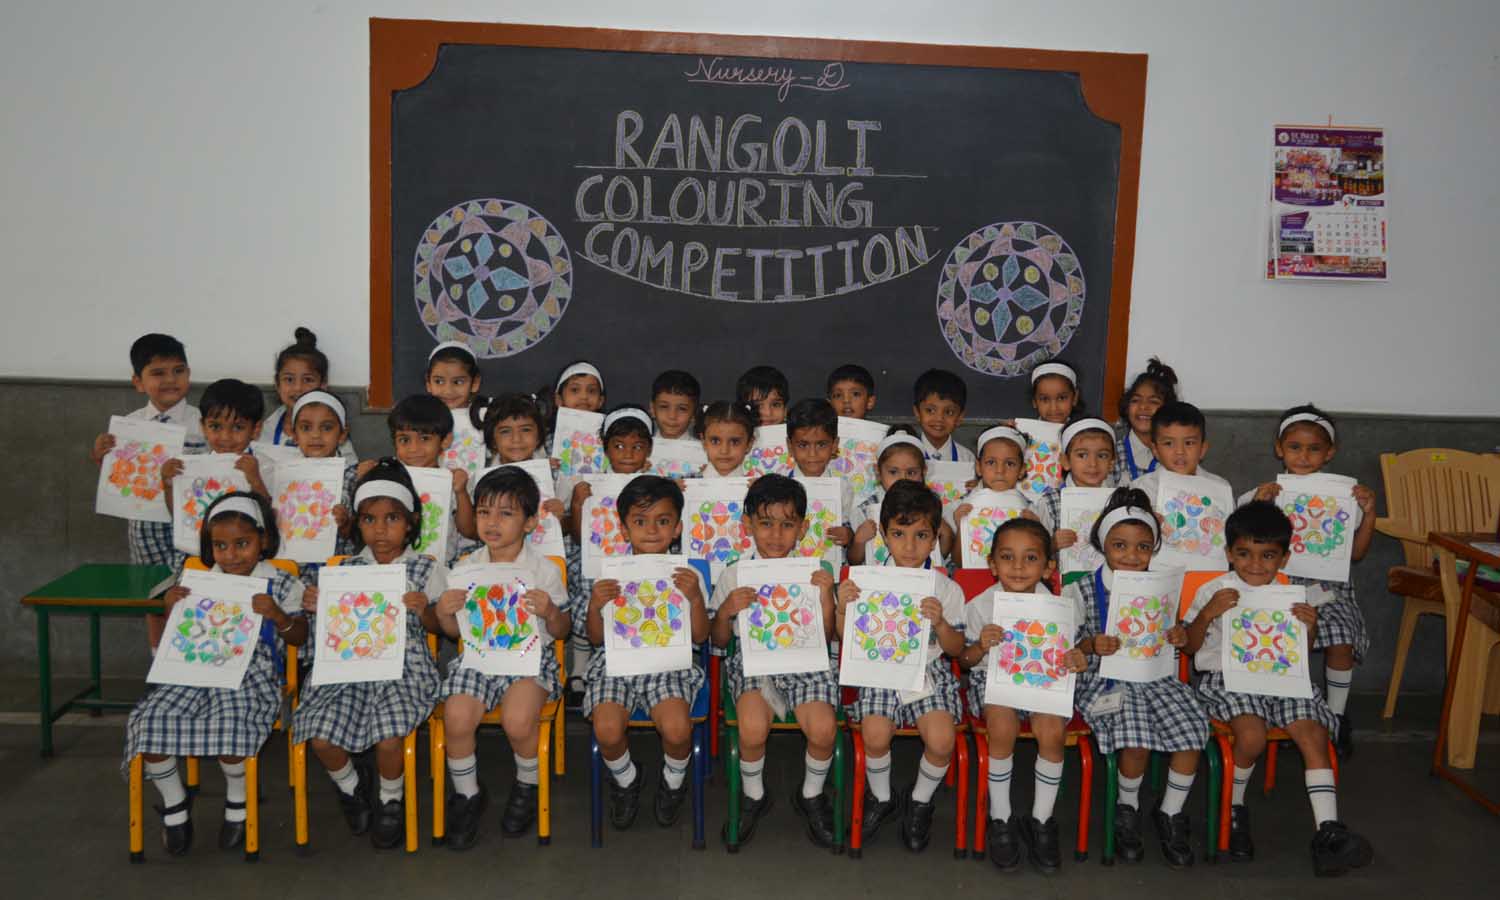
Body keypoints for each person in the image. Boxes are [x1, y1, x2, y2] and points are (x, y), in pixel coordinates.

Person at [1183, 501, 1374, 876]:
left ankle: (1328, 831)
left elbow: (1299, 650)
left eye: (1268, 555)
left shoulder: (1291, 592)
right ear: (1229, 553)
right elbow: (1189, 648)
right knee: (1251, 737)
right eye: (1244, 553)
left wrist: (1310, 627)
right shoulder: (1215, 590)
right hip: (1229, 679)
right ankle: (1235, 808)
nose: (1255, 564)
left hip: (1283, 679)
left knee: (1313, 734)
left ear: (1284, 559)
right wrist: (1207, 614)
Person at [123, 491, 305, 855]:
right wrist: (169, 607)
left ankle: (238, 801)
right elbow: (172, 632)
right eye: (220, 546)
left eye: (242, 544)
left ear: (263, 540)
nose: (231, 555)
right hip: (193, 672)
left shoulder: (282, 583)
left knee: (233, 724)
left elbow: (300, 636)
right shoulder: (195, 581)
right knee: (149, 721)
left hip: (251, 675)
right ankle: (175, 804)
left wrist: (278, 615)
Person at [292, 461, 446, 849]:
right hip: (348, 669)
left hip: (405, 669)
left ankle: (390, 799)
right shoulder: (343, 570)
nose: (380, 530)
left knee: (389, 736)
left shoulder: (425, 569)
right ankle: (351, 786)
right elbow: (325, 630)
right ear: (357, 524)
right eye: (369, 519)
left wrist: (424, 610)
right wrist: (316, 605)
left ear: (410, 522)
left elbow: (440, 627)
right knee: (320, 735)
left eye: (391, 518)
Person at [434, 467, 577, 849]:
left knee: (518, 720)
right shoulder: (466, 568)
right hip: (479, 660)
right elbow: (453, 633)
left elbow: (563, 630)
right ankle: (468, 794)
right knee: (457, 717)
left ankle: (527, 784)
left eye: (506, 513)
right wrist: (444, 613)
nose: (492, 522)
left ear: (529, 522)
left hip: (530, 660)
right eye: (484, 512)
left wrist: (550, 612)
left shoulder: (543, 570)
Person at [1065, 488, 1207, 868]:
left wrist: (1178, 636)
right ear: (1103, 545)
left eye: (1143, 547)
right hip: (1103, 680)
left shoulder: (1163, 587)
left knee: (1192, 728)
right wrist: (1091, 645)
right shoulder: (1081, 587)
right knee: (1136, 737)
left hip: (1156, 679)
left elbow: (1176, 634)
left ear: (1154, 549)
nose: (1131, 555)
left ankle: (1170, 811)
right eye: (1120, 546)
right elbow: (1067, 645)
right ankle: (1127, 808)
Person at [708, 475, 840, 848]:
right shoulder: (734, 573)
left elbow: (826, 635)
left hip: (806, 664)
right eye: (766, 523)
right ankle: (754, 795)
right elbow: (719, 642)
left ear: (802, 528)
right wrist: (726, 611)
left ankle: (811, 793)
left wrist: (825, 598)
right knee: (751, 730)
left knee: (824, 730)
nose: (776, 535)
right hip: (754, 664)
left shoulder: (815, 572)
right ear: (748, 524)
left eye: (787, 525)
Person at [1239, 405, 1378, 756]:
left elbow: (1357, 553)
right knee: (1278, 635)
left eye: (1314, 448)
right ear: (1279, 449)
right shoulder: (1264, 492)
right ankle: (1287, 708)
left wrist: (1369, 513)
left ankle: (1336, 717)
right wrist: (1258, 506)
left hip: (1329, 588)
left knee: (1341, 635)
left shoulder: (1345, 498)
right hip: (1277, 587)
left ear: (1329, 453)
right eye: (1295, 447)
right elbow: (1243, 542)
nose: (1303, 456)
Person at [838, 480, 966, 852]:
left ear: (936, 538)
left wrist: (941, 623)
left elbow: (957, 649)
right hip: (879, 669)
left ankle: (920, 800)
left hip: (928, 671)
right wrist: (844, 608)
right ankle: (882, 797)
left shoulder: (945, 587)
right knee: (875, 735)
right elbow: (846, 639)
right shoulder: (867, 581)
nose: (909, 546)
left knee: (942, 740)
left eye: (921, 535)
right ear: (883, 534)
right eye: (898, 534)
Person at [580, 476, 710, 830]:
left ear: (678, 527)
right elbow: (595, 638)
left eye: (663, 521)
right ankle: (626, 779)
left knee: (678, 729)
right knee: (607, 729)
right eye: (640, 521)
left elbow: (701, 636)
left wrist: (694, 598)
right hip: (615, 664)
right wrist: (595, 605)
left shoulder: (688, 574)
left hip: (670, 664)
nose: (652, 530)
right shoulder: (608, 575)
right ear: (624, 529)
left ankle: (673, 781)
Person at [959, 518, 1087, 873]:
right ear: (992, 564)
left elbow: (1075, 654)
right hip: (994, 684)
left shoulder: (1061, 608)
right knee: (1002, 727)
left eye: (1030, 558)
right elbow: (965, 662)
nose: (1017, 567)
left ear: (1048, 567)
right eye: (1007, 557)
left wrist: (1078, 659)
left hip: (1044, 685)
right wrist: (980, 646)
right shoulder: (981, 606)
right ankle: (1000, 817)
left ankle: (1041, 820)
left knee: (1052, 732)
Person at [91, 333, 206, 569]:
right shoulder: (127, 426)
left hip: (192, 524)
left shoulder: (204, 424)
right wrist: (101, 457)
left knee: (192, 581)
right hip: (144, 528)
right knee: (148, 585)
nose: (170, 380)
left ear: (189, 373)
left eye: (178, 370)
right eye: (158, 373)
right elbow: (117, 478)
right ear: (138, 383)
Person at [1030, 417, 1119, 584]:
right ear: (1065, 461)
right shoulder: (1049, 503)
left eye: (1102, 455)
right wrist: (1052, 544)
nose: (1093, 464)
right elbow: (1033, 551)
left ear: (1111, 463)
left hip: (1111, 585)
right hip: (1064, 588)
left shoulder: (1120, 501)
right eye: (1082, 455)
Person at [263, 328, 356, 460]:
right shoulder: (264, 430)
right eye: (289, 379)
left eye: (308, 380)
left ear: (323, 384)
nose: (298, 388)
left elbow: (349, 469)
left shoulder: (334, 431)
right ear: (277, 384)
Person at [1113, 357, 1178, 484]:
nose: (1143, 407)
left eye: (1153, 401)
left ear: (1167, 409)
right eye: (1136, 400)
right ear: (1127, 407)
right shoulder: (1112, 453)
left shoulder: (1176, 453)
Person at [911, 368, 973, 463]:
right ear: (917, 412)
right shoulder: (904, 455)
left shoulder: (968, 459)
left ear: (960, 417)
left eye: (949, 412)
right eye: (930, 410)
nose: (939, 418)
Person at [697, 401, 757, 478]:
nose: (724, 451)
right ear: (703, 442)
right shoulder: (687, 482)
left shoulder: (759, 484)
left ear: (749, 444)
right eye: (715, 441)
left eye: (734, 442)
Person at [650, 369, 701, 440]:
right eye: (664, 406)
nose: (672, 416)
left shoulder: (701, 447)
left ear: (694, 414)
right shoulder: (641, 445)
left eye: (682, 409)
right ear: (652, 409)